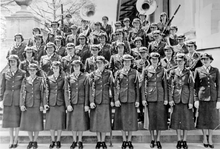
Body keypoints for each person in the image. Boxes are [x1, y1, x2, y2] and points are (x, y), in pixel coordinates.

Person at [141, 52, 168, 149]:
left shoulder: (162, 70)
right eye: (152, 58)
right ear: (150, 60)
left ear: (158, 60)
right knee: (151, 120)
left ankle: (158, 140)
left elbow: (165, 84)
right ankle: (152, 139)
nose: (154, 60)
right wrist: (143, 99)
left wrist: (166, 98)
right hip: (150, 97)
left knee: (160, 119)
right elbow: (143, 85)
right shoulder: (146, 70)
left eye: (156, 58)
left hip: (160, 97)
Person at [169, 53, 194, 149]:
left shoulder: (188, 72)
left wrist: (191, 101)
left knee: (186, 120)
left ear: (184, 62)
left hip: (186, 99)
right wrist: (170, 99)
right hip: (176, 99)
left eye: (181, 61)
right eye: (178, 61)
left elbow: (191, 87)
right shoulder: (173, 72)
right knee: (177, 120)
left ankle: (184, 140)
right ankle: (179, 140)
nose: (179, 62)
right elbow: (170, 86)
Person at [194, 53, 220, 148]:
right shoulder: (198, 70)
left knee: (212, 119)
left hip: (213, 97)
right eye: (203, 59)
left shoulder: (215, 70)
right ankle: (205, 137)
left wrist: (218, 100)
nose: (205, 60)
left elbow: (219, 86)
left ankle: (210, 138)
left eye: (207, 59)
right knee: (203, 119)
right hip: (202, 98)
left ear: (211, 60)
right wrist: (196, 99)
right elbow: (195, 86)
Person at [114, 54, 140, 149]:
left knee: (131, 120)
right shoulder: (118, 73)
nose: (127, 63)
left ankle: (129, 140)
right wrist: (116, 99)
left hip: (132, 99)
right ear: (123, 62)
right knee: (123, 121)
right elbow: (116, 87)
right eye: (125, 61)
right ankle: (124, 140)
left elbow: (137, 87)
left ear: (131, 62)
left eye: (129, 61)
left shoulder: (135, 72)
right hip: (122, 99)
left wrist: (137, 100)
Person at [0, 55, 26, 148]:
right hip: (8, 100)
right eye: (11, 61)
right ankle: (11, 139)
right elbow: (2, 87)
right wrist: (1, 98)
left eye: (14, 61)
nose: (12, 63)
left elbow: (23, 88)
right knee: (9, 122)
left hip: (17, 100)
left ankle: (16, 139)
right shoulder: (5, 73)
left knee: (16, 121)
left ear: (17, 62)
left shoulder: (22, 73)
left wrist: (23, 100)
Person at [89, 56, 114, 149]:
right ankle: (98, 141)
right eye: (98, 63)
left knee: (104, 121)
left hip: (105, 99)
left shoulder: (109, 73)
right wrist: (91, 101)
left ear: (104, 64)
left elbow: (113, 86)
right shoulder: (92, 74)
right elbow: (90, 88)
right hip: (96, 100)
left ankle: (103, 141)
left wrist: (113, 100)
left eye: (101, 63)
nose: (99, 65)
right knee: (97, 121)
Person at [65, 60, 89, 149]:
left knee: (80, 123)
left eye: (78, 66)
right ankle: (74, 141)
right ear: (72, 67)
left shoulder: (85, 77)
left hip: (81, 103)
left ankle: (80, 141)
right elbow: (66, 91)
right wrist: (68, 104)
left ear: (80, 67)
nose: (76, 68)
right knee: (73, 123)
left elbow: (87, 91)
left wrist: (86, 104)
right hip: (72, 103)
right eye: (74, 66)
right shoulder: (68, 77)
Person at [20, 63, 45, 149]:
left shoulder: (41, 80)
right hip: (28, 104)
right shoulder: (25, 80)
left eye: (34, 70)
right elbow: (22, 93)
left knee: (37, 124)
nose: (32, 72)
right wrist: (22, 104)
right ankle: (31, 141)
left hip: (37, 105)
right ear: (28, 71)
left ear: (36, 71)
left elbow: (43, 92)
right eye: (30, 70)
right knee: (29, 125)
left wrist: (42, 104)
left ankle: (35, 141)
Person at [44, 61, 66, 149]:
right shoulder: (48, 78)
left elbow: (65, 91)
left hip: (60, 102)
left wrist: (66, 103)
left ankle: (58, 140)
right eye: (54, 68)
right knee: (51, 123)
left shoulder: (64, 78)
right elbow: (46, 91)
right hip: (51, 103)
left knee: (59, 123)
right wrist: (46, 103)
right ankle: (53, 140)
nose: (55, 69)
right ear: (52, 69)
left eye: (57, 68)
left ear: (60, 69)